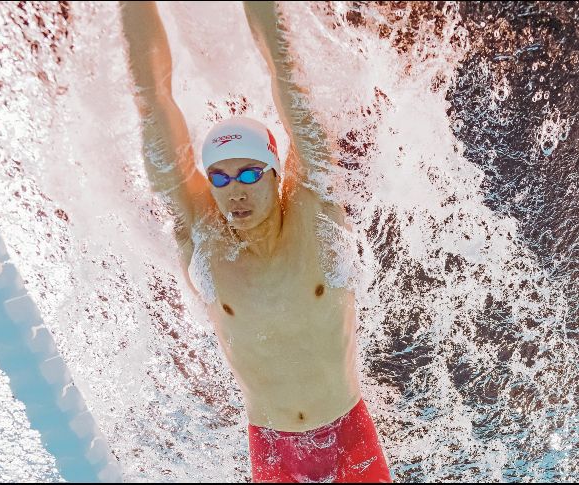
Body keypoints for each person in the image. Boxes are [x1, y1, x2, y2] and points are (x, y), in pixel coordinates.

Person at [119, 2, 392, 482]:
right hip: (272, 450)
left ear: (275, 171)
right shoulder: (205, 242)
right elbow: (153, 99)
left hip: (350, 439)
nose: (236, 190)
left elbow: (284, 72)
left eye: (248, 172)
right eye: (220, 179)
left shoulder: (316, 216)